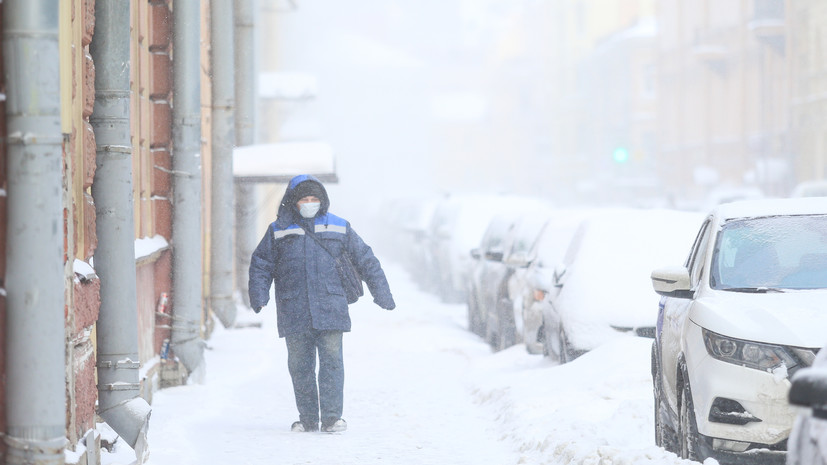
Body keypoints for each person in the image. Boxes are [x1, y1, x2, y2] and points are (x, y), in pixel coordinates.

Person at [248, 174, 396, 433]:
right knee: (299, 366)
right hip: (294, 308)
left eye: (314, 198)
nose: (309, 202)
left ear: (322, 200)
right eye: (304, 198)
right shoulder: (278, 230)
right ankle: (307, 419)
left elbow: (366, 259)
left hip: (331, 307)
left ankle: (331, 418)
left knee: (331, 363)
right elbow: (261, 264)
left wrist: (382, 293)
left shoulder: (339, 226)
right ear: (293, 202)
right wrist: (259, 295)